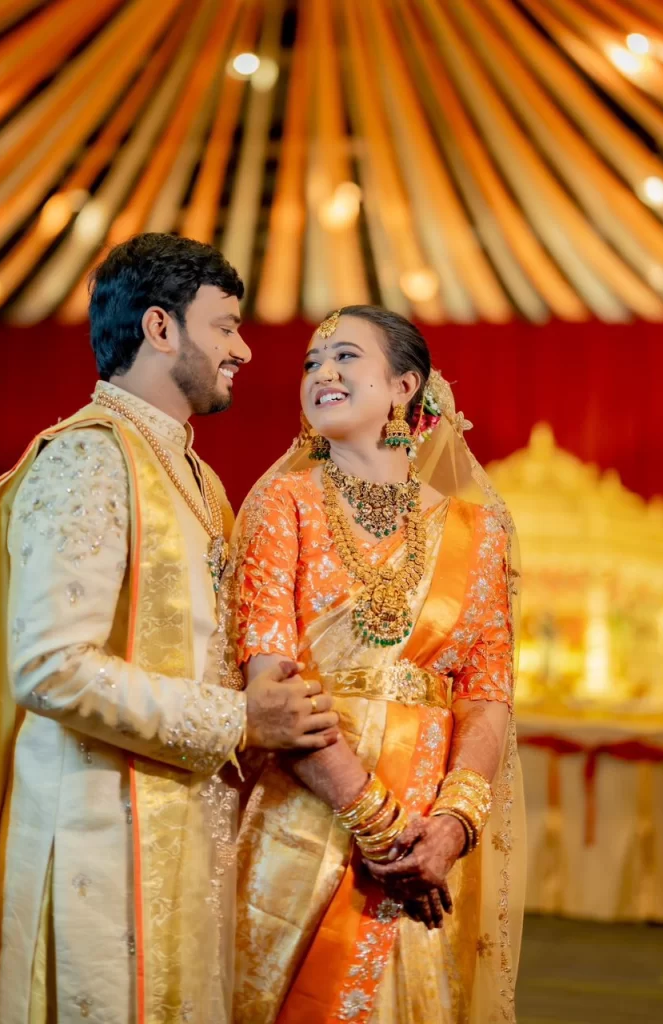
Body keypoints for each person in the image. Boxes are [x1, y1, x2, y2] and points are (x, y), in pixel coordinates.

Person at [0, 233, 338, 1024]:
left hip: (181, 828)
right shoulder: (87, 460)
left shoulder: (194, 474)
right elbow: (50, 666)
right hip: (98, 841)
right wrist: (239, 720)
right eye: (224, 327)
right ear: (160, 327)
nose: (244, 350)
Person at [216, 306, 525, 1023]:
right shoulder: (282, 505)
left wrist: (451, 825)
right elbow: (272, 684)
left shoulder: (477, 531)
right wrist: (379, 826)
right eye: (310, 362)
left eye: (345, 356)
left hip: (428, 844)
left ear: (404, 387)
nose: (321, 372)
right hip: (304, 823)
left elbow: (487, 694)